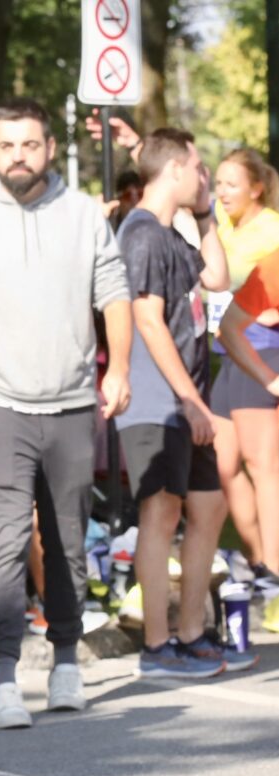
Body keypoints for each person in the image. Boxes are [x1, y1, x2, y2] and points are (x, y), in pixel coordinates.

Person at [0, 97, 133, 730]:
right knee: (9, 536)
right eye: (7, 145)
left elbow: (114, 294)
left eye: (30, 144)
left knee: (67, 538)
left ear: (47, 147)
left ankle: (67, 662)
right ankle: (5, 676)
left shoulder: (84, 213)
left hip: (69, 402)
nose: (19, 156)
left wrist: (117, 368)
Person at [116, 129, 238, 677]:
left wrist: (208, 211)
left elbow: (218, 277)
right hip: (156, 400)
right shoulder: (141, 231)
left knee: (209, 507)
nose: (203, 176)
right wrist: (190, 399)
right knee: (160, 513)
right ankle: (157, 646)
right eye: (198, 168)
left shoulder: (172, 234)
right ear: (173, 172)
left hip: (188, 402)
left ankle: (191, 631)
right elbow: (145, 317)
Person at [207, 149, 279, 596]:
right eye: (219, 183)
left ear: (257, 188)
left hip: (264, 354)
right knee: (221, 467)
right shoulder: (219, 220)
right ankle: (260, 563)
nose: (222, 191)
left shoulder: (272, 232)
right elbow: (184, 185)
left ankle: (272, 569)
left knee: (262, 467)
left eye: (232, 183)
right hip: (228, 353)